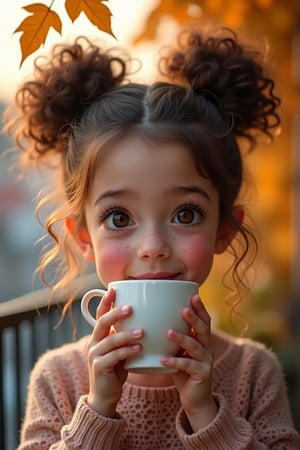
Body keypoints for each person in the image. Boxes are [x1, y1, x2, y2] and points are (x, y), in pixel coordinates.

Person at [4, 25, 300, 449]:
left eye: (185, 213)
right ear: (83, 236)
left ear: (224, 230)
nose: (153, 246)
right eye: (119, 217)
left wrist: (207, 415)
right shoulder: (58, 380)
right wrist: (97, 409)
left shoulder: (254, 372)